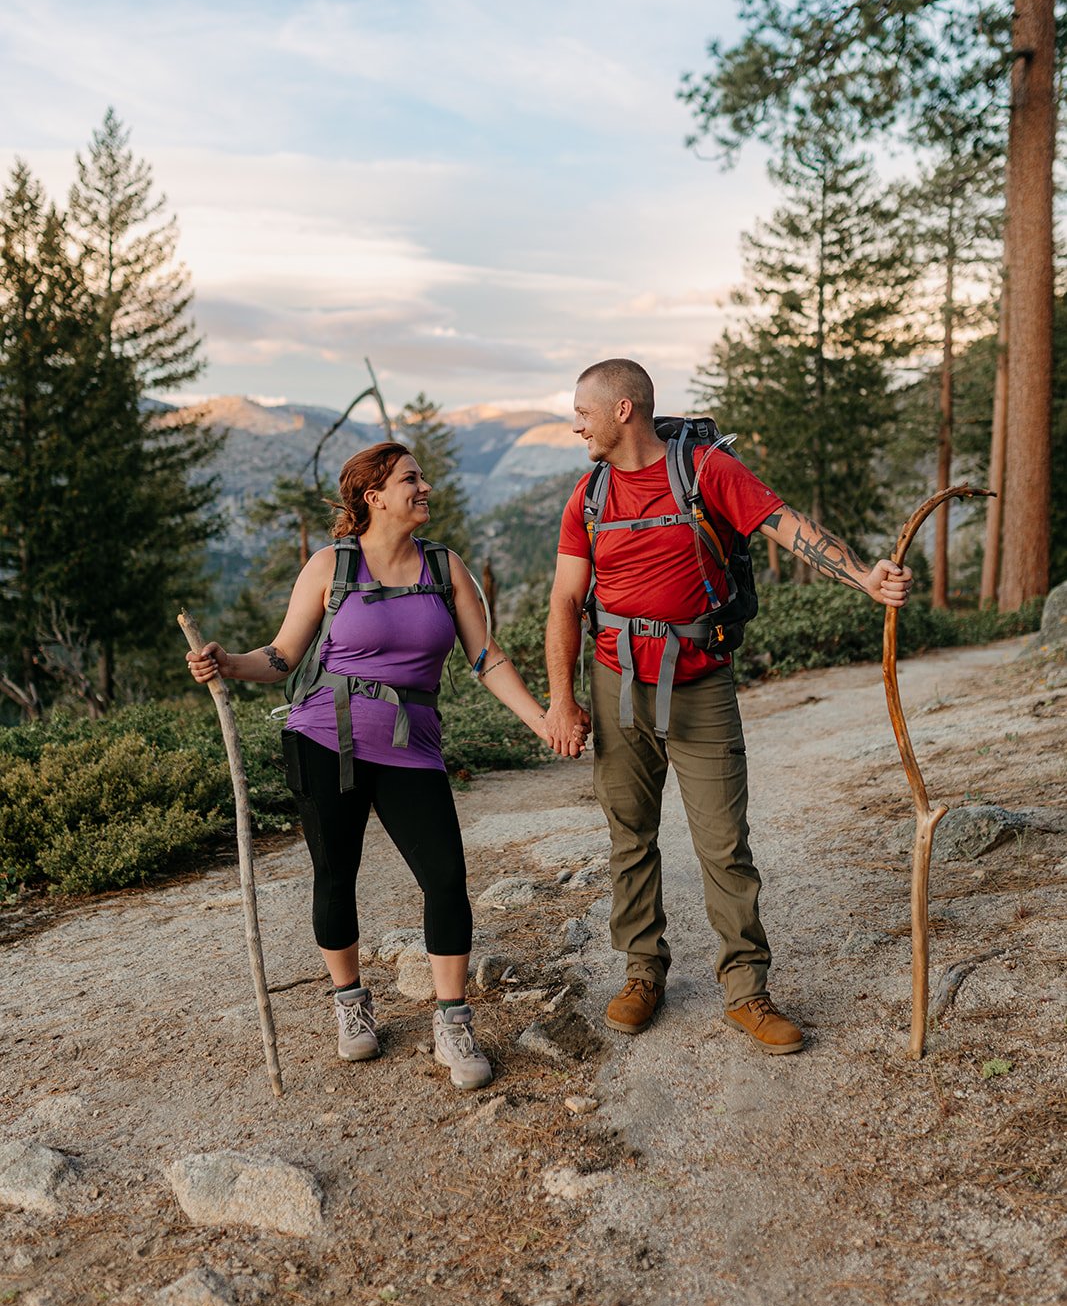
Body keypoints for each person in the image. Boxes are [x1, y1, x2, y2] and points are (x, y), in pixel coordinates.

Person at [187, 441, 583, 1090]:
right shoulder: (331, 565)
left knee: (445, 879)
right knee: (334, 875)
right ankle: (350, 1005)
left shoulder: (442, 565)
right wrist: (229, 664)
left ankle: (451, 1020)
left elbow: (485, 659)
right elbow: (284, 656)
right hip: (323, 740)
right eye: (410, 479)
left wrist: (541, 719)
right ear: (372, 495)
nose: (423, 488)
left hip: (411, 748)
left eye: (421, 478)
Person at [543, 359, 912, 1054]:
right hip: (614, 680)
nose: (575, 424)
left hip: (701, 684)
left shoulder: (706, 470)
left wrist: (863, 577)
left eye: (582, 412)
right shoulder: (588, 495)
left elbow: (784, 525)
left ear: (623, 410)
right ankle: (642, 972)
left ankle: (746, 991)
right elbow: (565, 601)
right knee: (629, 837)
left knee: (723, 845)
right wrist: (562, 701)